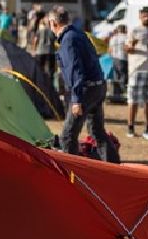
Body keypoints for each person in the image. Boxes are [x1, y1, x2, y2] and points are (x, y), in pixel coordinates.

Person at [51, 14, 119, 163]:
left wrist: (76, 99)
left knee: (68, 135)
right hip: (98, 86)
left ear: (54, 23)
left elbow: (75, 69)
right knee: (97, 132)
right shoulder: (79, 33)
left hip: (86, 90)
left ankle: (72, 170)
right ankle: (114, 166)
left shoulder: (68, 40)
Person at [124, 6, 148, 137]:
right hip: (137, 69)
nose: (147, 18)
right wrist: (132, 45)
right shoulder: (134, 30)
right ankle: (130, 127)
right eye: (144, 15)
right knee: (133, 100)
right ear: (140, 17)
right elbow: (127, 49)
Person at [33, 12, 57, 82]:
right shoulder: (52, 31)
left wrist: (34, 49)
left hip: (40, 51)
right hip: (50, 51)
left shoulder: (39, 31)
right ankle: (50, 84)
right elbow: (55, 40)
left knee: (40, 69)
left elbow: (35, 40)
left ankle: (41, 83)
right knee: (51, 70)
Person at [108, 24, 129, 103]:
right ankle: (124, 95)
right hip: (123, 59)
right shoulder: (126, 37)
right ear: (124, 29)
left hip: (114, 59)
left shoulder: (113, 38)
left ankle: (116, 95)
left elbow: (110, 50)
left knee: (116, 76)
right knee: (123, 76)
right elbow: (127, 49)